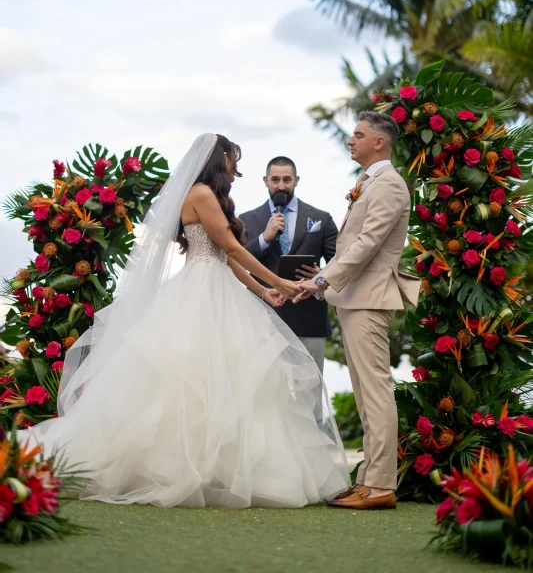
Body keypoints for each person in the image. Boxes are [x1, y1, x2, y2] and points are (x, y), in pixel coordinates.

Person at [26, 134, 349, 509]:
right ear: (220, 159)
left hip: (220, 286)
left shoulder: (211, 197)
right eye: (233, 159)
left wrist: (262, 293)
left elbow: (227, 257)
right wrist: (278, 281)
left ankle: (218, 470)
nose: (237, 168)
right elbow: (230, 248)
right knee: (192, 379)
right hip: (200, 291)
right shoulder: (200, 194)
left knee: (231, 380)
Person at [296, 112, 420, 511]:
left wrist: (321, 281)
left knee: (376, 391)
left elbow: (366, 244)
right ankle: (368, 478)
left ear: (379, 142)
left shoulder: (390, 185)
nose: (351, 141)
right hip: (355, 297)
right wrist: (326, 279)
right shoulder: (369, 182)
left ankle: (381, 485)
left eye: (358, 135)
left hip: (369, 297)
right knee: (366, 394)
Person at [240, 156, 338, 376]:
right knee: (268, 393)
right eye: (275, 179)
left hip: (309, 319)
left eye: (287, 179)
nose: (281, 186)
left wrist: (321, 275)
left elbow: (340, 263)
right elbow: (236, 259)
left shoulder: (322, 218)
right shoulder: (246, 220)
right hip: (263, 319)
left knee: (311, 394)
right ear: (265, 180)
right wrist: (265, 237)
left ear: (297, 180)